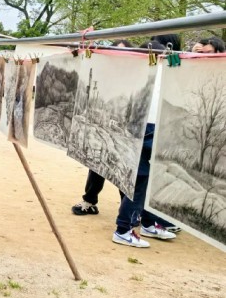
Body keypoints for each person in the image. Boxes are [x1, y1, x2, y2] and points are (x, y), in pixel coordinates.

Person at [72, 38, 180, 232]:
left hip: (135, 128)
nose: (118, 55)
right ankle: (92, 201)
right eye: (114, 51)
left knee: (133, 174)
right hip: (113, 125)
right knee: (101, 164)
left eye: (122, 51)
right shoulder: (119, 71)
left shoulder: (151, 75)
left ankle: (135, 216)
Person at [112, 41, 177, 248]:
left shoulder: (161, 73)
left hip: (149, 127)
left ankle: (148, 223)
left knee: (147, 180)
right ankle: (124, 229)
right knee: (141, 180)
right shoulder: (139, 72)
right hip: (140, 129)